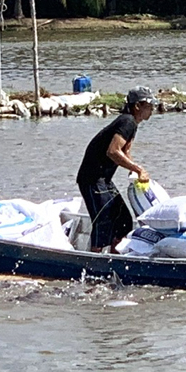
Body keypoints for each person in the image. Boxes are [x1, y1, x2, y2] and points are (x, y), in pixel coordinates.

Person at [75, 87, 155, 252]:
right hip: (91, 178)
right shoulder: (127, 121)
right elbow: (113, 151)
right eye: (148, 105)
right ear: (137, 106)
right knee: (104, 219)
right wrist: (138, 169)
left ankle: (115, 255)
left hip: (104, 179)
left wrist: (134, 173)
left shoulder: (133, 123)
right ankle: (94, 260)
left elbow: (125, 151)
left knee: (123, 220)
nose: (152, 109)